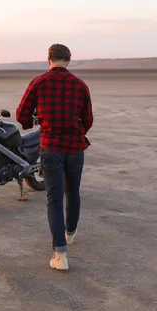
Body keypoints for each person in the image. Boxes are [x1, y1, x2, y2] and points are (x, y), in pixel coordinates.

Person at [15, 43, 94, 271]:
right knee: (73, 193)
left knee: (54, 199)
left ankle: (60, 255)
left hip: (50, 147)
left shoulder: (39, 82)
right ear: (68, 60)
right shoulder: (80, 85)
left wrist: (34, 121)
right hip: (74, 148)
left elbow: (22, 115)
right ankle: (70, 233)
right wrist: (75, 131)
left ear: (49, 59)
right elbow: (88, 120)